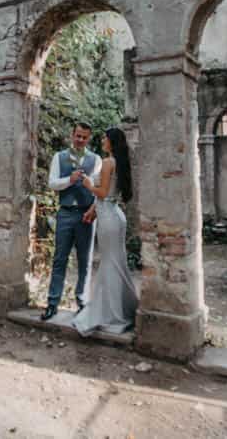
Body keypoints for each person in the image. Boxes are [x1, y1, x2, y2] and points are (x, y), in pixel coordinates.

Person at [71, 127, 138, 337]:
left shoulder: (108, 162)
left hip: (109, 219)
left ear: (111, 141)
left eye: (104, 138)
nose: (102, 140)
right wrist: (92, 210)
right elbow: (107, 196)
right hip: (112, 214)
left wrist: (89, 184)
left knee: (110, 263)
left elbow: (101, 192)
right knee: (116, 262)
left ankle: (112, 314)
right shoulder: (117, 162)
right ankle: (121, 309)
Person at [40, 122, 102, 321]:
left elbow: (99, 189)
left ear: (89, 138)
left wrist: (88, 185)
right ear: (72, 135)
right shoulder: (59, 157)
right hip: (65, 213)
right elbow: (52, 183)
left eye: (84, 137)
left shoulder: (96, 159)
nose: (80, 140)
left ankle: (82, 302)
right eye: (78, 136)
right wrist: (69, 179)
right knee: (59, 259)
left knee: (85, 260)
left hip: (86, 214)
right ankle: (52, 304)